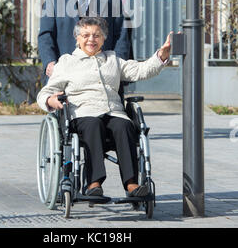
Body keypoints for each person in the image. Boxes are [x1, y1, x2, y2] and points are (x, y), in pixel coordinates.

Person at [37, 17, 171, 197]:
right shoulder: (67, 62)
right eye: (85, 35)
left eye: (96, 35)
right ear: (77, 38)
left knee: (124, 125)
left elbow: (141, 70)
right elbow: (46, 92)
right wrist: (50, 101)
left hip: (113, 112)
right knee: (93, 124)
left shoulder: (113, 59)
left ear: (103, 39)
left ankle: (132, 185)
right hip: (83, 114)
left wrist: (161, 55)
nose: (91, 39)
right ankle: (94, 183)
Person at [38, 0, 131, 79]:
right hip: (65, 75)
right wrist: (50, 62)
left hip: (102, 76)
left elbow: (121, 36)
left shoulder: (112, 0)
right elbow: (45, 35)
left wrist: (116, 64)